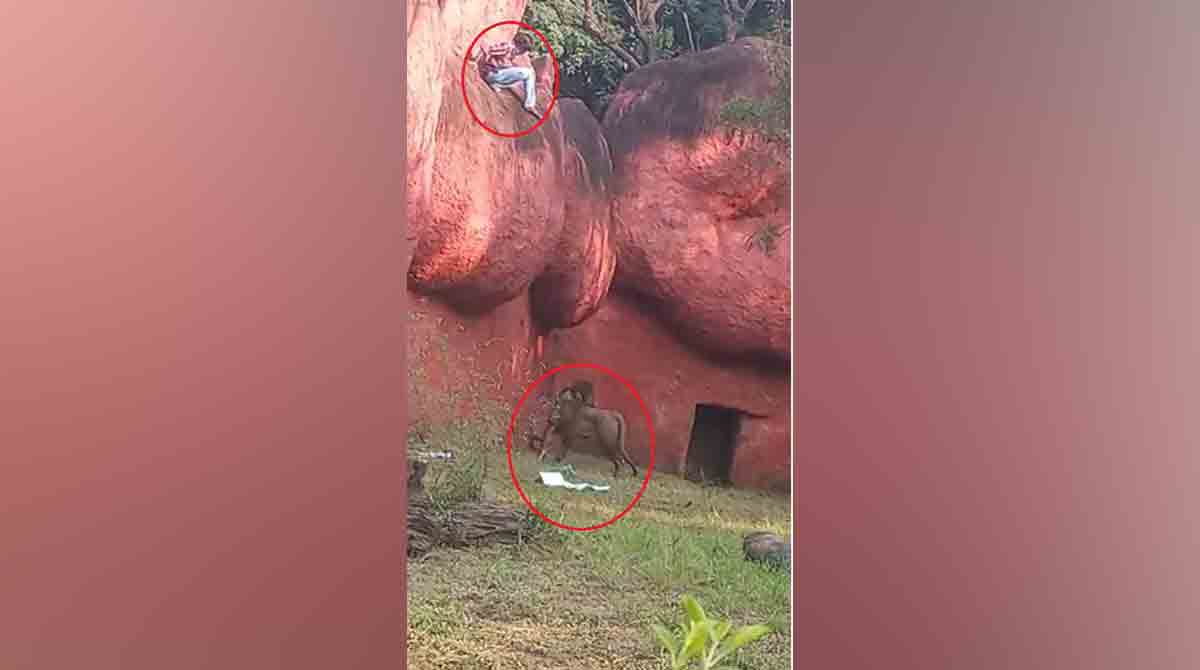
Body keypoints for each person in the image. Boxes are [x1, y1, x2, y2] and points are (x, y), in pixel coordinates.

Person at [472, 32, 538, 114]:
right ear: (519, 46)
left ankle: (495, 84)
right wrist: (476, 62)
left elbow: (503, 63)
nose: (523, 53)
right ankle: (529, 105)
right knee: (528, 73)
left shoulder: (512, 53)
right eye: (523, 50)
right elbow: (486, 46)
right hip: (490, 73)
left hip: (495, 75)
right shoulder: (507, 47)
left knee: (527, 74)